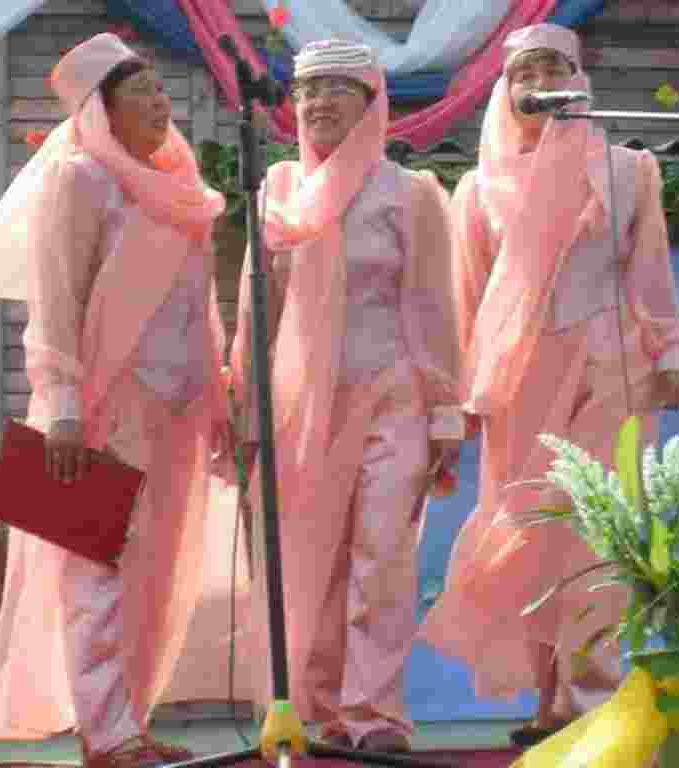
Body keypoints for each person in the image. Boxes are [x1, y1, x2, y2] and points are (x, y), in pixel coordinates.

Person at [417, 23, 679, 747]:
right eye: (526, 73)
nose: (541, 84)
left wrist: (670, 353)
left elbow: (649, 274)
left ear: (579, 82)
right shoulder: (478, 188)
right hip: (519, 381)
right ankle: (549, 703)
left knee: (600, 530)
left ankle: (595, 698)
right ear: (507, 91)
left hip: (613, 369)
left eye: (554, 69)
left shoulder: (627, 172)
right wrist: (457, 404)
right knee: (533, 534)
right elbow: (465, 300)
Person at [0, 34, 234, 768]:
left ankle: (132, 722)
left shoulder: (180, 190)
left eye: (160, 89)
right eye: (140, 90)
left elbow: (199, 312)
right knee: (95, 577)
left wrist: (219, 400)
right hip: (100, 409)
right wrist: (62, 408)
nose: (160, 102)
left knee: (155, 575)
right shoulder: (78, 178)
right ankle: (108, 733)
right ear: (100, 108)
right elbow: (55, 302)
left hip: (177, 412)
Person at [229, 39, 461, 753]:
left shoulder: (411, 193)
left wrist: (445, 412)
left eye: (337, 88)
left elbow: (434, 309)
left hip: (394, 397)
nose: (318, 101)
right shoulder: (277, 190)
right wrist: (246, 409)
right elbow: (256, 311)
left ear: (372, 104)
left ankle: (374, 715)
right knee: (311, 563)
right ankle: (323, 711)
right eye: (307, 89)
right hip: (300, 403)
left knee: (382, 557)